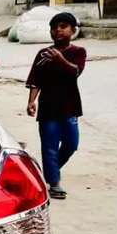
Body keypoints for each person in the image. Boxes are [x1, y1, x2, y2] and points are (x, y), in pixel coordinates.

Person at [25, 12, 86, 200]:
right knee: (49, 147)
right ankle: (54, 183)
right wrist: (31, 101)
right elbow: (36, 80)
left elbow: (75, 71)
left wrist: (60, 59)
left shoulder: (78, 52)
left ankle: (50, 170)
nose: (58, 30)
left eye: (63, 26)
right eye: (54, 27)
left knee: (71, 144)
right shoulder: (43, 54)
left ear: (73, 31)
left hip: (69, 106)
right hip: (48, 107)